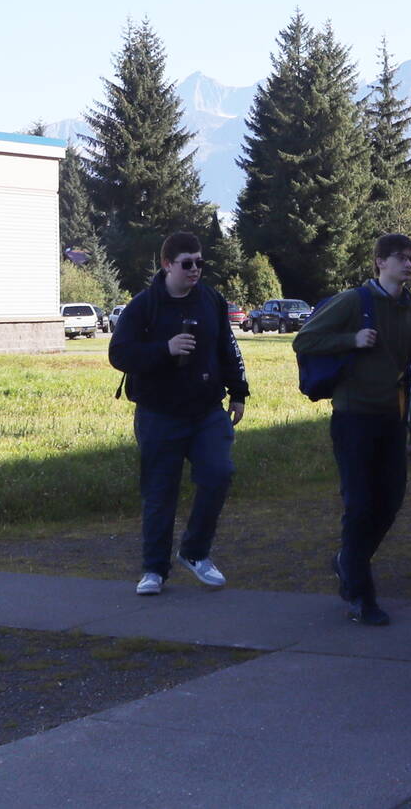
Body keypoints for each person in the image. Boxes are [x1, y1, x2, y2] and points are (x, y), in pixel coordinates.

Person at [292, 232, 411, 626]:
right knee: (360, 504)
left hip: (392, 420)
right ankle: (361, 595)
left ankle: (346, 562)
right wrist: (351, 338)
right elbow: (305, 339)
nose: (409, 264)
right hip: (353, 418)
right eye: (402, 257)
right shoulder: (355, 301)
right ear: (380, 261)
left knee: (390, 502)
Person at [108, 232, 250, 597]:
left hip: (206, 411)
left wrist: (238, 392)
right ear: (167, 264)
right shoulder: (144, 306)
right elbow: (119, 354)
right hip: (159, 413)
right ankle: (154, 570)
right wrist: (165, 349)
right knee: (160, 493)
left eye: (200, 263)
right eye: (187, 263)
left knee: (219, 473)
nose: (195, 270)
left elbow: (227, 348)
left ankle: (195, 552)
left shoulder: (211, 300)